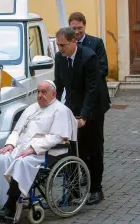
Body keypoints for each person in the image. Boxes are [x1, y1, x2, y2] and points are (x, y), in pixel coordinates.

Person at [0, 80, 77, 220]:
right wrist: (10, 144)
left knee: (21, 162)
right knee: (0, 157)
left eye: (44, 92)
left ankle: (10, 207)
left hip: (45, 153)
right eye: (38, 92)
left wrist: (33, 148)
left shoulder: (61, 111)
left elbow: (56, 137)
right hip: (21, 148)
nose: (40, 95)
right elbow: (17, 130)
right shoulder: (31, 108)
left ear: (53, 94)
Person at [54, 27, 110, 205]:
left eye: (63, 45)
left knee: (92, 150)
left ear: (73, 42)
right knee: (70, 149)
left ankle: (96, 190)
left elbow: (92, 89)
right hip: (72, 106)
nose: (60, 49)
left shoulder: (89, 57)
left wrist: (84, 116)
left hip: (92, 108)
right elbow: (59, 84)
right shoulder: (59, 57)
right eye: (58, 45)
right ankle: (72, 190)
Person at [68, 12, 110, 204]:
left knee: (95, 146)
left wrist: (82, 79)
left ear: (84, 26)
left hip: (95, 103)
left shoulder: (96, 43)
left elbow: (103, 69)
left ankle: (96, 188)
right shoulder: (67, 47)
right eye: (73, 28)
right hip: (76, 104)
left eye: (79, 28)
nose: (76, 32)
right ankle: (81, 176)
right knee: (77, 145)